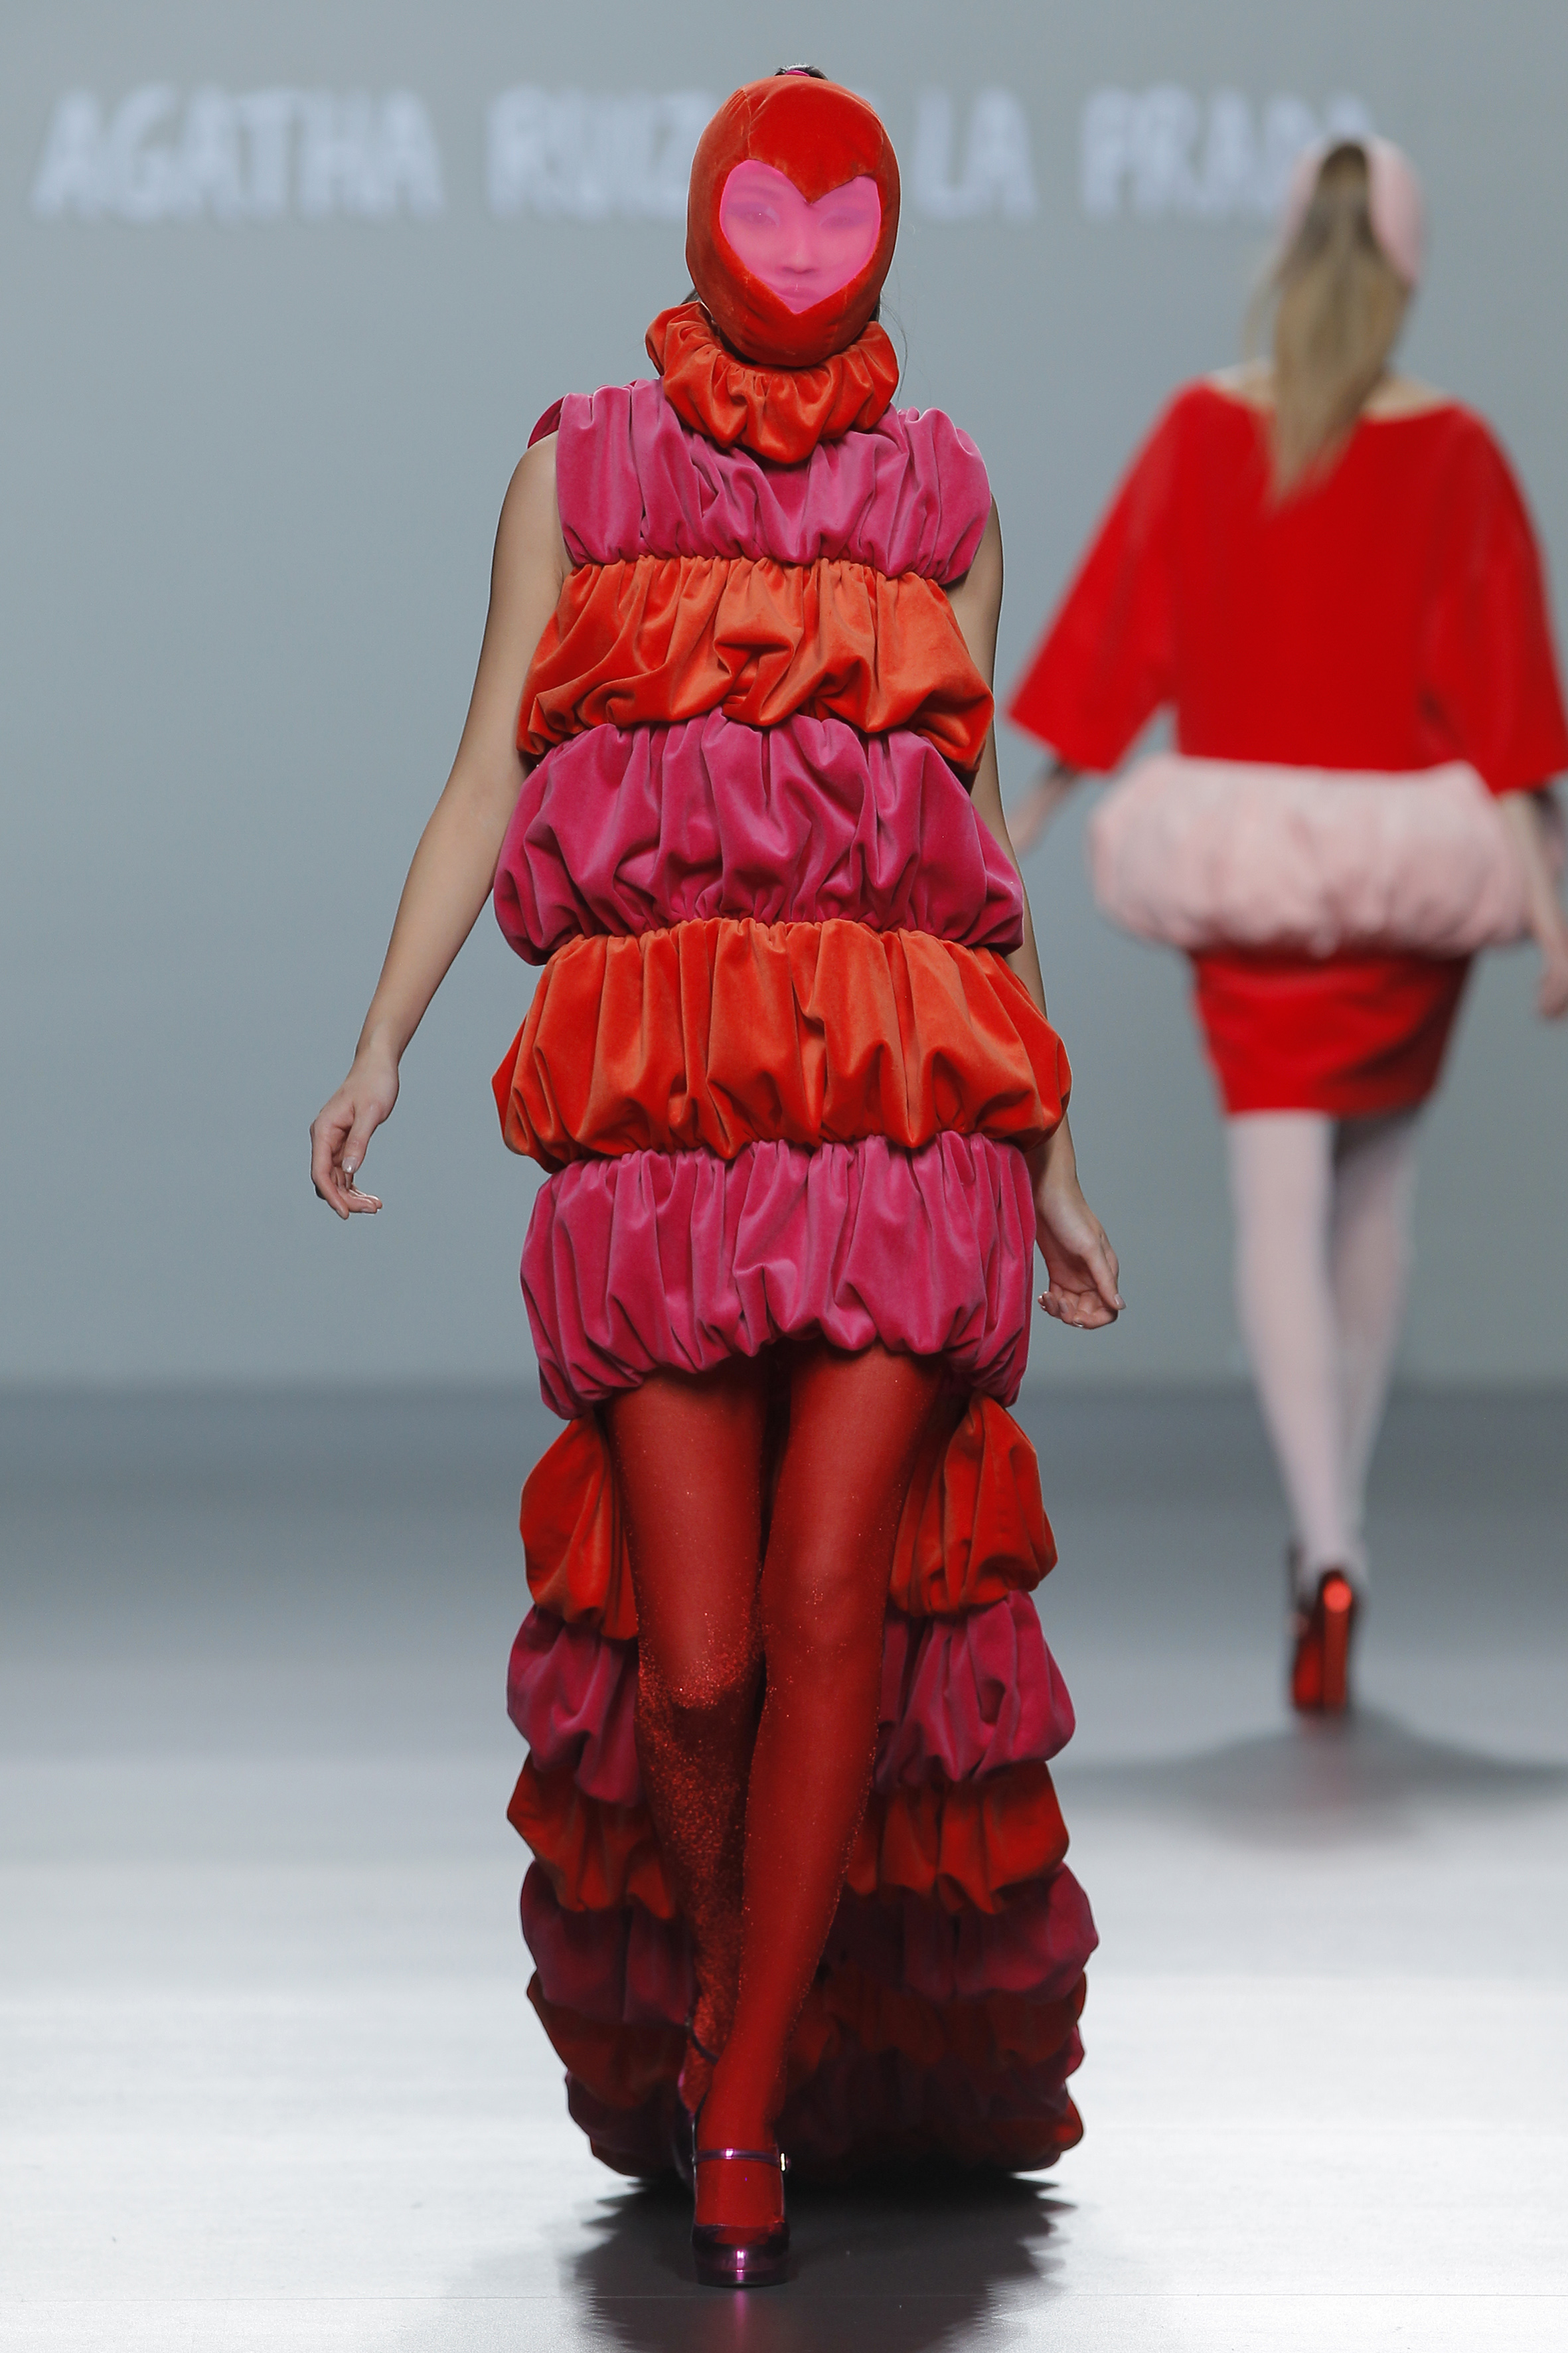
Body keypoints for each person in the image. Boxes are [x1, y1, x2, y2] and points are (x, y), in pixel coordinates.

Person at [311, 70, 1120, 2289]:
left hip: (901, 1130)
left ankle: (742, 2099)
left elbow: (964, 852)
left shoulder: (943, 496)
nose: (800, 243)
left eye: (841, 209)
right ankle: (727, 2016)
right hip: (666, 1136)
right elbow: (489, 770)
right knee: (690, 1664)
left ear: (887, 236)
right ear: (698, 219)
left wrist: (1050, 1155)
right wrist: (383, 1040)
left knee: (834, 1594)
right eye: (770, 203)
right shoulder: (574, 470)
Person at [1006, 138, 1568, 1716]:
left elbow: (1116, 638)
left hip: (1250, 879)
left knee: (1276, 1206)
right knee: (1371, 1206)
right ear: (1408, 267)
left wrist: (1021, 819)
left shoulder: (1205, 428)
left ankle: (1321, 1541)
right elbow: (1505, 705)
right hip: (1405, 891)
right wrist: (1546, 909)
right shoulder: (1454, 450)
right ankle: (1340, 1532)